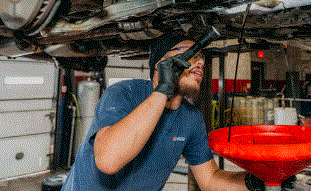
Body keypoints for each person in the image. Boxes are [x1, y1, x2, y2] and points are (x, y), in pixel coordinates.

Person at [61, 33, 292, 191]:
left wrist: (257, 181)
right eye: (189, 54)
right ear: (160, 64)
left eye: (201, 59)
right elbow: (108, 161)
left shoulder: (191, 118)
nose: (199, 62)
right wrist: (163, 89)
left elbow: (210, 180)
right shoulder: (125, 93)